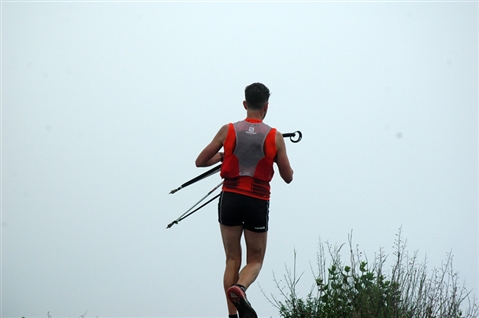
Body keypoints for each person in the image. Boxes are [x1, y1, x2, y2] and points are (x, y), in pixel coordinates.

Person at [195, 82, 294, 318]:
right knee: (256, 259)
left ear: (245, 103)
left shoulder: (227, 130)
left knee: (231, 258)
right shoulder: (275, 136)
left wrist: (223, 155)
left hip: (230, 198)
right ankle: (241, 288)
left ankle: (232, 315)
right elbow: (287, 177)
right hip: (257, 201)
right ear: (266, 107)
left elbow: (200, 161)